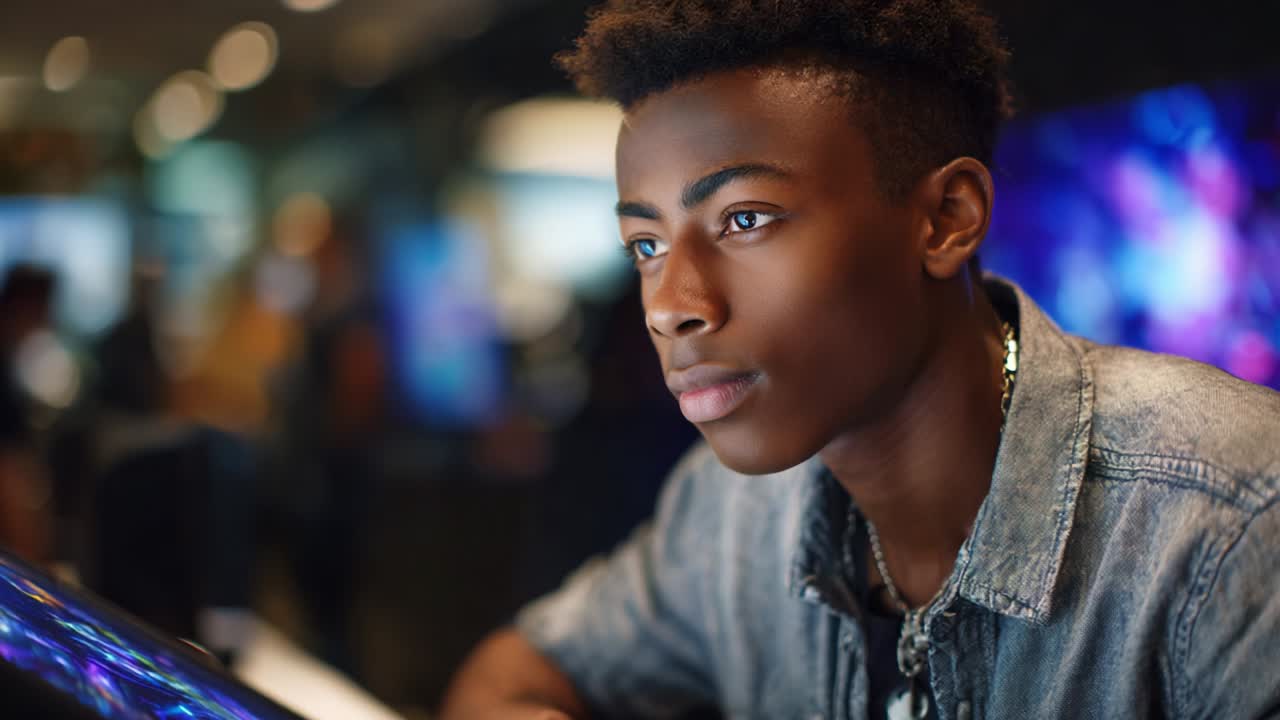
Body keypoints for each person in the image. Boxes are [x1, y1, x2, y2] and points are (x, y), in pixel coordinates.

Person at [441, 1, 1280, 718]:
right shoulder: (730, 516)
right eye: (647, 243)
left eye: (744, 220)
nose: (669, 306)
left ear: (947, 218)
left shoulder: (1229, 523)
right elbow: (510, 672)